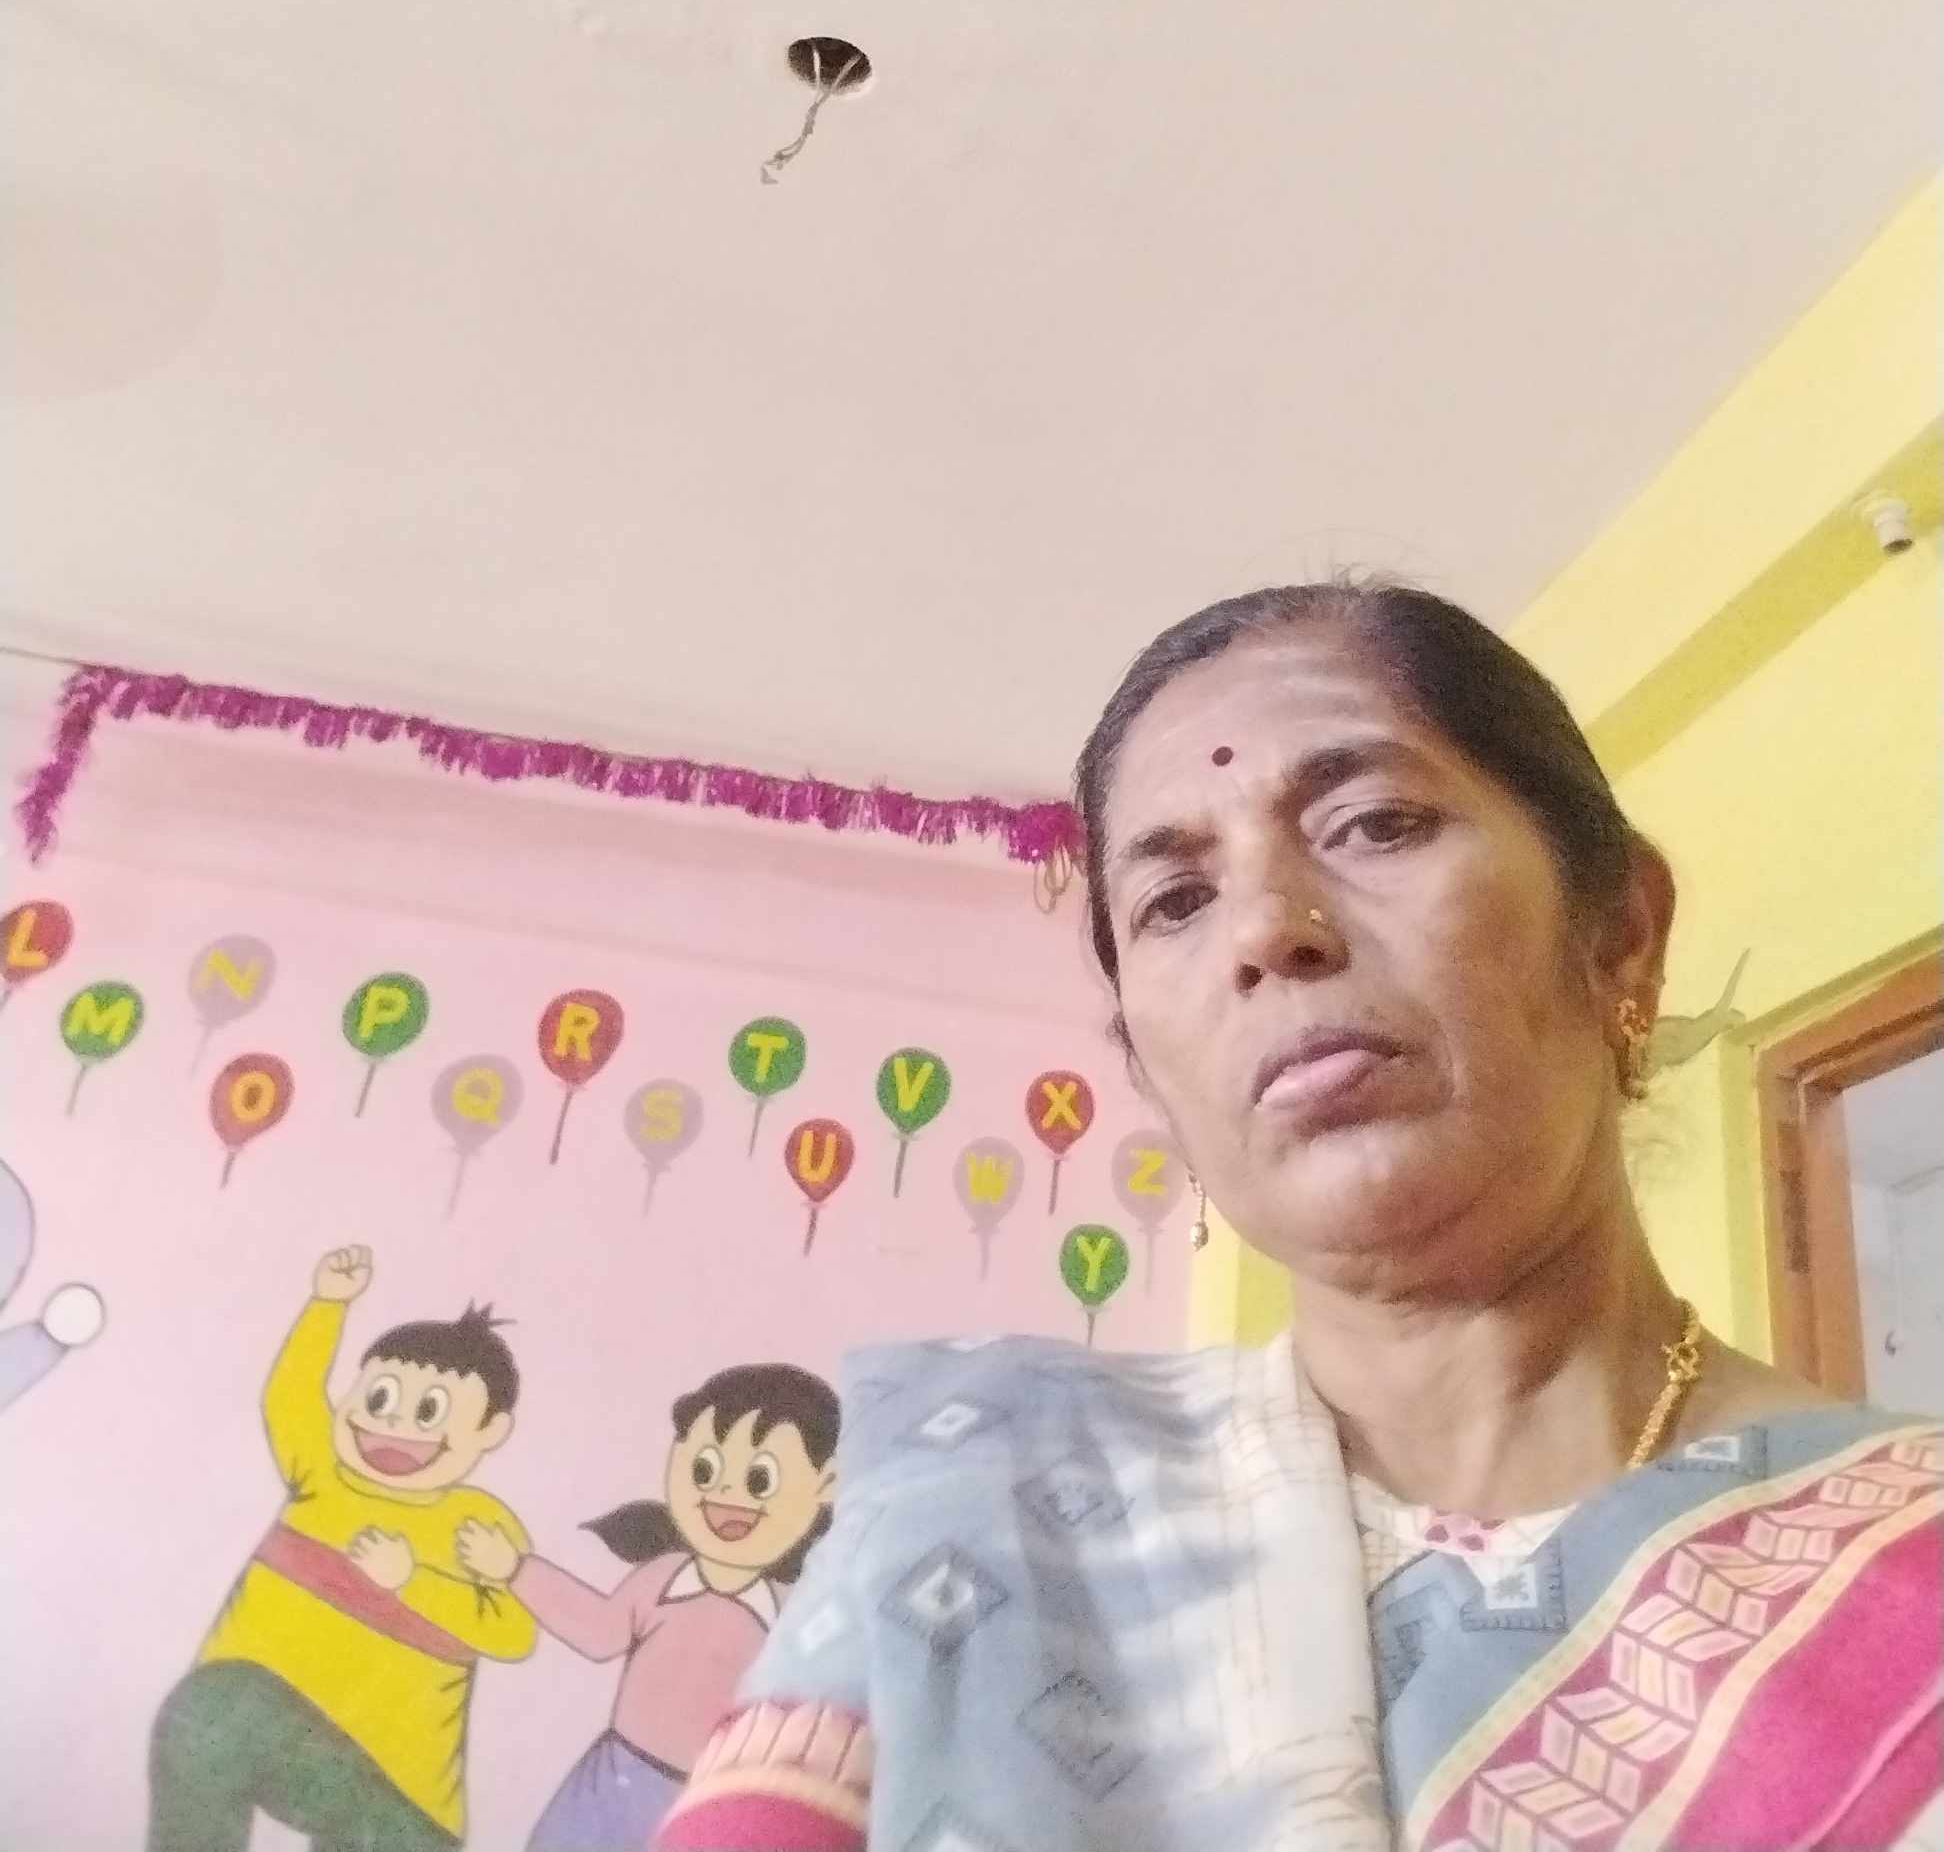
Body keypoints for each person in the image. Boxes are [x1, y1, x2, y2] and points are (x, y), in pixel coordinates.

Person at [653, 582, 1944, 1851]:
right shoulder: (985, 1511)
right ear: (1151, 1072)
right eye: (1174, 901)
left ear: (1621, 935)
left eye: (1373, 824)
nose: (1269, 930)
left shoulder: (1909, 1565)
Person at [148, 1245, 536, 1852]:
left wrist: (410, 1582)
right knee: (207, 1711)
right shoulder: (324, 1472)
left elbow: (512, 1634)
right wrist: (328, 1304)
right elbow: (290, 1398)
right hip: (270, 1718)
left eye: (429, 1411)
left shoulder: (477, 1522)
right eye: (379, 1399)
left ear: (491, 1431)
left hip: (399, 1788)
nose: (394, 1427)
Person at [458, 1361, 839, 1850]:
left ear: (825, 1484)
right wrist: (516, 1570)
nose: (725, 1494)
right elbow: (600, 1632)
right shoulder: (663, 1576)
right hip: (616, 1778)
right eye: (704, 1471)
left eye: (760, 1479)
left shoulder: (795, 1613)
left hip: (714, 1799)